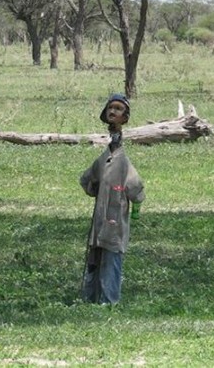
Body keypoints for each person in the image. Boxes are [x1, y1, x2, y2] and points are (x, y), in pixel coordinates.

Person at [79, 93, 145, 305]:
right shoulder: (105, 157)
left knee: (111, 258)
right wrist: (96, 186)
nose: (113, 112)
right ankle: (90, 298)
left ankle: (109, 301)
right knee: (95, 258)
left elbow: (136, 190)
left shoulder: (122, 160)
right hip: (100, 220)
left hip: (115, 221)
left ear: (125, 118)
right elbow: (87, 180)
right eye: (110, 108)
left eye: (118, 109)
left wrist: (135, 208)